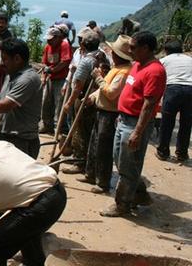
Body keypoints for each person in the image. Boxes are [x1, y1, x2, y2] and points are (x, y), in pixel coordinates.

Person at [101, 31, 166, 217]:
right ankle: (139, 194)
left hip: (135, 123)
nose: (129, 51)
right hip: (124, 120)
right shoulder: (137, 65)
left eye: (133, 47)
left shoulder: (155, 71)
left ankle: (122, 205)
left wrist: (138, 131)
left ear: (145, 48)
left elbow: (149, 105)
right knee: (121, 161)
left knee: (128, 166)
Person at [79, 35, 132, 193]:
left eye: (113, 52)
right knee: (94, 144)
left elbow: (110, 93)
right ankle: (90, 174)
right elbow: (104, 90)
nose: (111, 54)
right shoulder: (116, 68)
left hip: (110, 114)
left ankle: (102, 182)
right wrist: (92, 97)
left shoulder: (123, 72)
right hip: (102, 110)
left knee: (103, 148)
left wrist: (98, 78)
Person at [61, 30, 102, 174]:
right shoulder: (102, 57)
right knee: (89, 132)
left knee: (80, 131)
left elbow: (78, 85)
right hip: (96, 99)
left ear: (83, 44)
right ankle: (87, 162)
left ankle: (79, 163)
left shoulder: (87, 61)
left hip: (84, 99)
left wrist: (69, 102)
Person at [156, 39, 192, 162]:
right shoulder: (189, 59)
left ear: (166, 51)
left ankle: (163, 152)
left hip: (173, 90)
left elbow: (158, 76)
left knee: (167, 122)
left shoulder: (164, 60)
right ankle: (182, 153)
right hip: (190, 90)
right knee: (186, 124)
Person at [40, 26, 72, 135]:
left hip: (61, 79)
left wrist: (52, 70)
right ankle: (46, 124)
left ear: (58, 38)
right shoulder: (47, 47)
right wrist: (44, 76)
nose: (48, 41)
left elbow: (64, 62)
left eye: (51, 39)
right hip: (50, 78)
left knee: (59, 103)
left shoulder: (64, 45)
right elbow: (44, 63)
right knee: (45, 101)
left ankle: (58, 128)